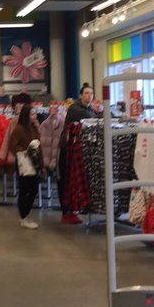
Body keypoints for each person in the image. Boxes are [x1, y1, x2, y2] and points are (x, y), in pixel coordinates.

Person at [59, 83, 98, 225]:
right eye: (86, 93)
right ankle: (66, 212)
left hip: (76, 148)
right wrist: (100, 112)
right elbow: (90, 117)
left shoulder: (88, 109)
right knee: (66, 179)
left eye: (91, 93)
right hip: (67, 149)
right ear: (81, 95)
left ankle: (72, 210)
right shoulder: (75, 109)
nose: (89, 96)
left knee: (73, 179)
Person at [8, 104, 43, 229]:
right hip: (24, 163)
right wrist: (24, 151)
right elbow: (12, 145)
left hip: (34, 162)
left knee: (33, 189)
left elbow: (39, 146)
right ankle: (24, 217)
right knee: (24, 189)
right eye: (32, 114)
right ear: (26, 115)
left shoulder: (33, 128)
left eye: (35, 114)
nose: (35, 116)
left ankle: (24, 215)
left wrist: (42, 165)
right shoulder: (19, 129)